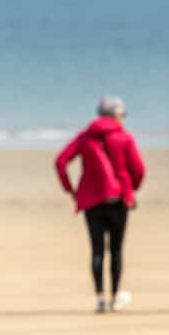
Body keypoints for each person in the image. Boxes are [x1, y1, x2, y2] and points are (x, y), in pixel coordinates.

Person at [54, 95, 146, 313]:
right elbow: (139, 169)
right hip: (119, 199)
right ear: (116, 115)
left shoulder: (86, 137)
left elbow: (60, 162)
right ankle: (115, 296)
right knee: (115, 249)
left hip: (91, 200)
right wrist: (132, 189)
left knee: (97, 250)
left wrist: (71, 190)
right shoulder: (124, 138)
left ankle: (100, 299)